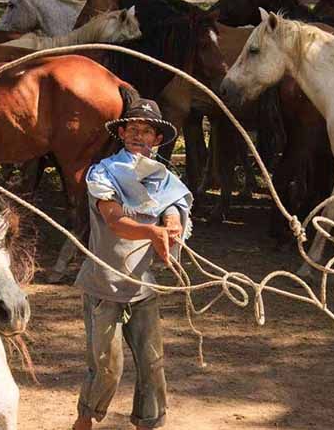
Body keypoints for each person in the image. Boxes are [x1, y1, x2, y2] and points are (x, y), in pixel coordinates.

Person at [72, 97, 193, 430]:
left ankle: (149, 425)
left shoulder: (165, 178)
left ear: (157, 139)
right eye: (134, 128)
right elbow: (113, 219)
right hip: (104, 284)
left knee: (152, 364)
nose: (140, 135)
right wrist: (152, 232)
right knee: (107, 366)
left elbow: (172, 207)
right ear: (122, 132)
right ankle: (83, 422)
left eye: (148, 131)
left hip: (143, 286)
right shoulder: (102, 172)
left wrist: (171, 225)